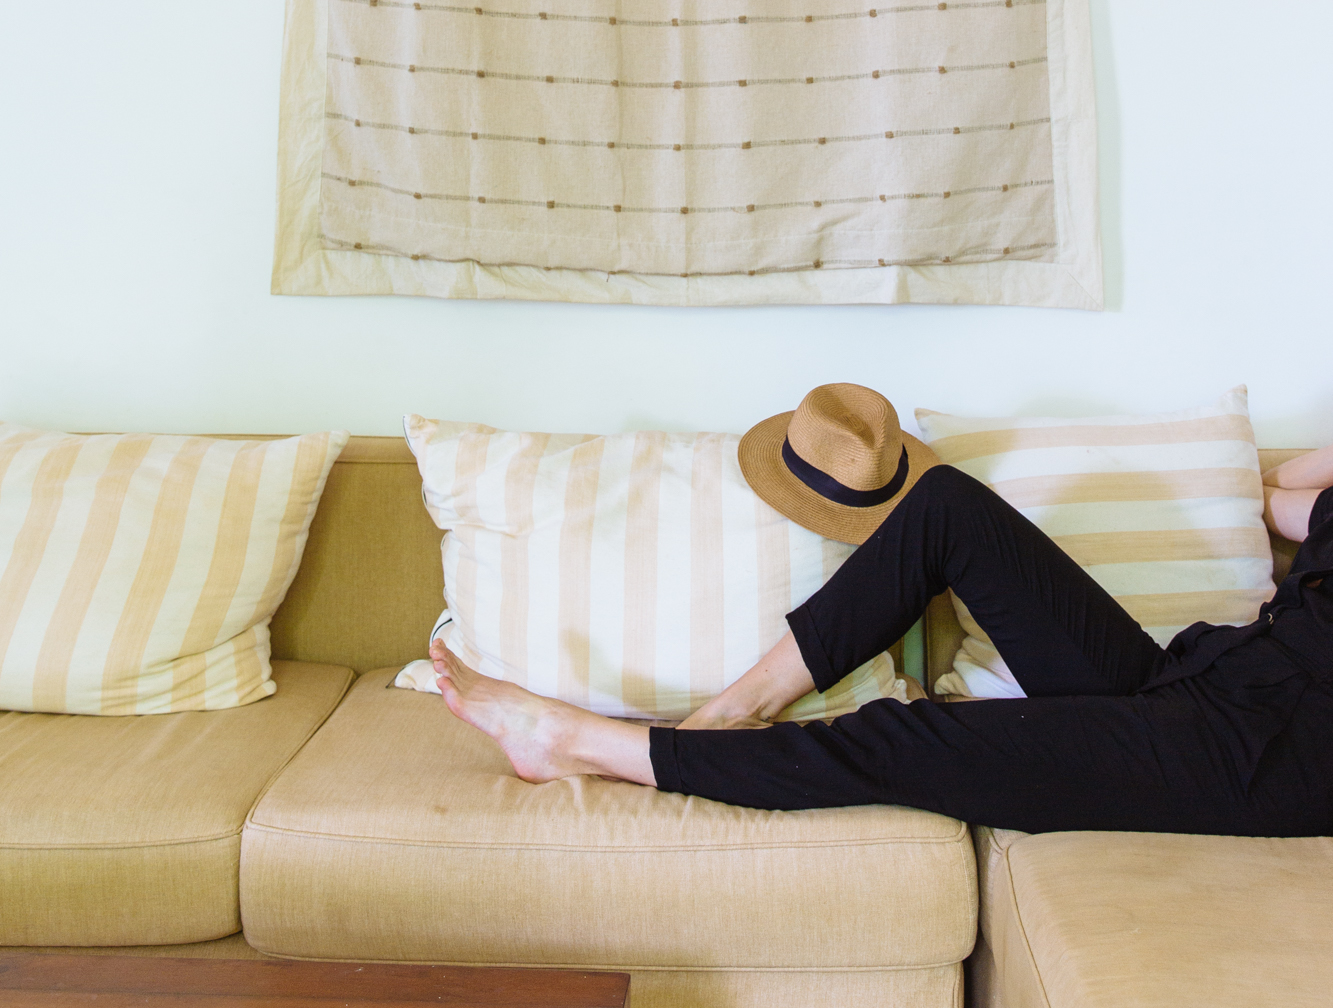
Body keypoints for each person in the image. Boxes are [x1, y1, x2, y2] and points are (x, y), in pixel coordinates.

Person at [432, 383, 1333, 838]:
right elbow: (1285, 493)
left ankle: (592, 746)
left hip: (1268, 754)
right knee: (944, 506)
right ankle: (732, 710)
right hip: (1202, 680)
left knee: (917, 738)